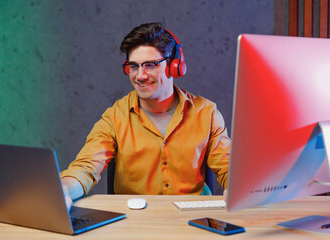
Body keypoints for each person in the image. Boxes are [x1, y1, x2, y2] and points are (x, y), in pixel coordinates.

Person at [61, 22, 230, 210]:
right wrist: (64, 190)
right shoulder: (114, 117)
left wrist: (236, 186)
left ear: (175, 66)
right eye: (133, 66)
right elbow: (85, 167)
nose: (140, 76)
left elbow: (228, 166)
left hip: (193, 219)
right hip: (135, 222)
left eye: (150, 65)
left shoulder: (207, 113)